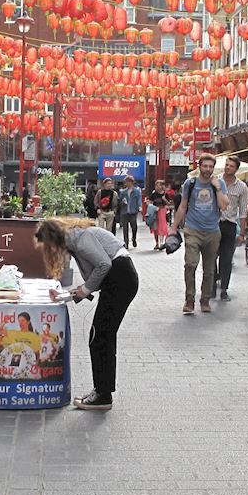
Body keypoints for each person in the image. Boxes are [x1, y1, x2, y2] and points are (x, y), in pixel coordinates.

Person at [34, 217, 138, 411]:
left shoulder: (81, 239)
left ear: (54, 238)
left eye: (49, 245)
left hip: (120, 279)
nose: (51, 250)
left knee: (100, 337)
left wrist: (84, 290)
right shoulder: (76, 240)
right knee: (102, 336)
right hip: (120, 279)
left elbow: (103, 265)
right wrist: (67, 295)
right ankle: (101, 391)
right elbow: (94, 279)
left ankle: (103, 395)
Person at [172, 153, 229, 315]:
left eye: (211, 166)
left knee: (209, 269)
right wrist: (173, 228)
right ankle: (189, 299)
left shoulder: (219, 183)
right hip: (192, 229)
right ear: (199, 166)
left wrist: (218, 188)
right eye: (205, 166)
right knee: (190, 264)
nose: (208, 169)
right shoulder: (190, 183)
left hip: (212, 231)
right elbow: (183, 206)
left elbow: (224, 206)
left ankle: (205, 300)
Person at [215, 157, 248, 302]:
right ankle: (211, 285)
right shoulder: (215, 180)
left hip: (229, 224)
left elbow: (243, 211)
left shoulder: (242, 187)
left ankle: (224, 289)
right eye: (226, 165)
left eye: (231, 166)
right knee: (211, 256)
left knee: (227, 258)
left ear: (236, 169)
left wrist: (242, 233)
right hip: (214, 223)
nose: (228, 167)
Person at [117, 175, 143, 249]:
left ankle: (134, 238)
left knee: (134, 226)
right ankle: (126, 242)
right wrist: (122, 201)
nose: (126, 183)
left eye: (128, 182)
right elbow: (119, 201)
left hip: (133, 211)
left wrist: (140, 206)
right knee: (125, 228)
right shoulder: (123, 192)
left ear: (131, 182)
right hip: (124, 211)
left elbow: (139, 199)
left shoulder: (136, 191)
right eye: (125, 182)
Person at [148, 178, 171, 249]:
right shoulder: (154, 194)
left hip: (162, 211)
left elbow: (169, 204)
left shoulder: (165, 194)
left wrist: (164, 199)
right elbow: (150, 202)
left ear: (162, 186)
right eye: (156, 185)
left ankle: (161, 242)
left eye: (158, 185)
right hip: (155, 212)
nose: (157, 187)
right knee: (155, 228)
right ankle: (157, 243)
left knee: (162, 227)